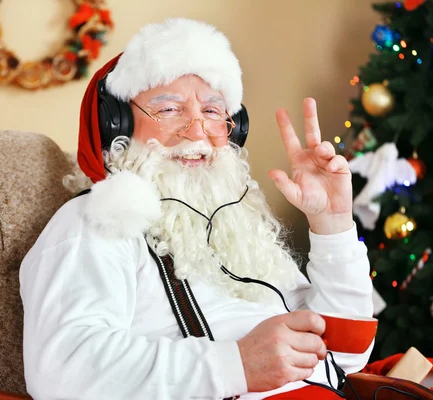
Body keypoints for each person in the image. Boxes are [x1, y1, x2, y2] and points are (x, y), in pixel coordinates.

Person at [19, 18, 374, 400]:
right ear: (116, 125)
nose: (196, 131)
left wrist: (332, 224)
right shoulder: (95, 223)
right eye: (169, 109)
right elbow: (64, 371)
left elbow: (345, 355)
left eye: (211, 111)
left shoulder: (241, 229)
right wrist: (236, 364)